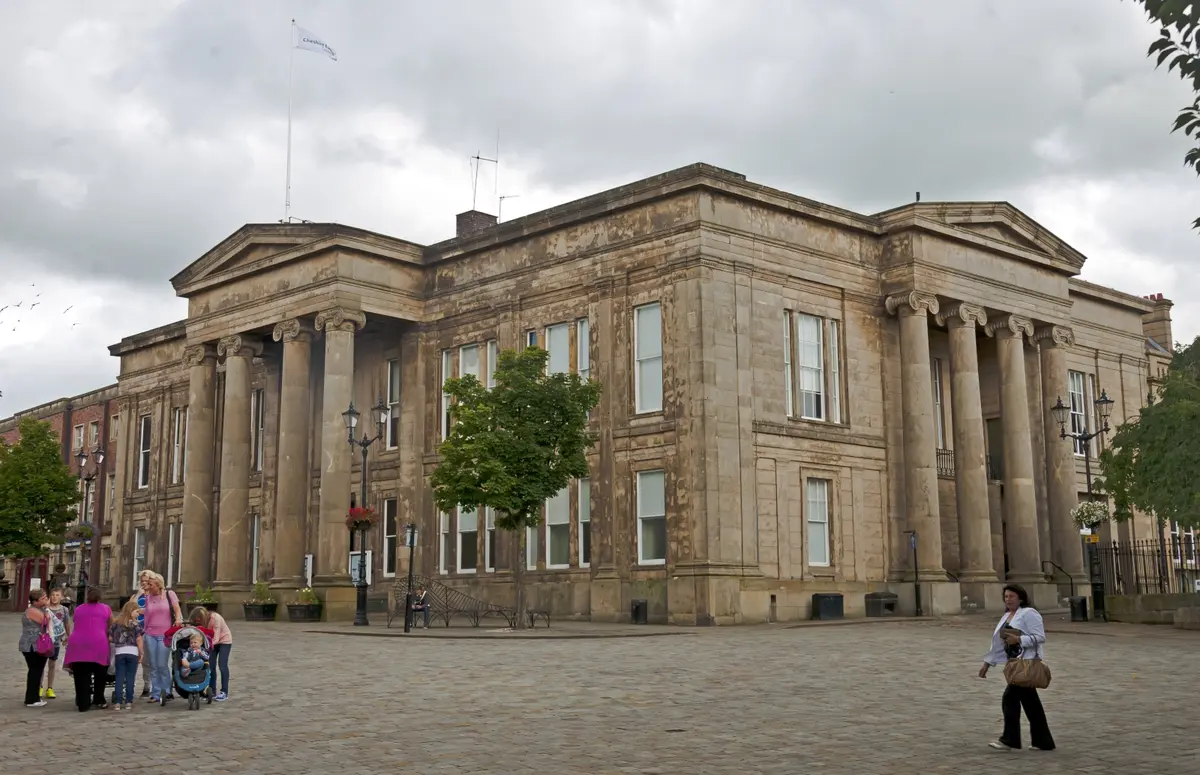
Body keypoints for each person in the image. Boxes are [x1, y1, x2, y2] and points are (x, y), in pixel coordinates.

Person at [979, 583, 1056, 751]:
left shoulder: (1029, 613)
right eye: (1006, 597)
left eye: (1011, 596)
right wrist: (987, 663)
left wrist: (1020, 640)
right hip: (1014, 664)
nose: (1008, 600)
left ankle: (1010, 739)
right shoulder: (1007, 616)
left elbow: (1040, 637)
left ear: (1020, 597)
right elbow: (998, 644)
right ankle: (1043, 741)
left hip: (1025, 663)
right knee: (1031, 704)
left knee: (1010, 698)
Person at [62, 586, 113, 712]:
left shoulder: (79, 609)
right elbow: (111, 625)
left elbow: (76, 621)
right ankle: (98, 699)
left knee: (81, 675)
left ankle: (83, 702)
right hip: (98, 643)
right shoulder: (106, 609)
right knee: (100, 673)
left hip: (78, 643)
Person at [141, 572, 182, 705]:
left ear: (158, 584)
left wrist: (178, 619)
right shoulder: (148, 596)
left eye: (150, 584)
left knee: (162, 664)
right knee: (153, 665)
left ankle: (167, 691)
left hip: (165, 634)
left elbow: (177, 609)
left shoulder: (169, 594)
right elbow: (145, 612)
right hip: (150, 633)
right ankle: (156, 693)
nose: (148, 586)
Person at [188, 606, 232, 701]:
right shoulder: (199, 622)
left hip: (224, 640)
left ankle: (224, 692)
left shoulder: (215, 618)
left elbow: (216, 637)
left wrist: (203, 647)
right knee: (210, 666)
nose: (198, 622)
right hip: (210, 642)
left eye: (199, 620)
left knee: (222, 665)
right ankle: (212, 691)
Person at [108, 598, 144, 710]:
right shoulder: (136, 626)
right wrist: (141, 653)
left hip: (120, 653)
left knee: (119, 677)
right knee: (130, 677)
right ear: (131, 611)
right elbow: (139, 640)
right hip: (132, 653)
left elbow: (110, 638)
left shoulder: (116, 624)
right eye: (137, 612)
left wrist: (117, 640)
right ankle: (128, 701)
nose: (138, 614)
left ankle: (118, 702)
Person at [18, 589, 51, 708]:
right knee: (35, 671)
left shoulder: (38, 609)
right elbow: (46, 621)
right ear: (35, 601)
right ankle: (31, 699)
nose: (46, 599)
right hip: (32, 645)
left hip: (37, 645)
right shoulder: (32, 611)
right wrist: (47, 609)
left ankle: (34, 696)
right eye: (43, 598)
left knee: (37, 670)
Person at [41, 587, 73, 700]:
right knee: (42, 663)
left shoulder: (64, 610)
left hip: (56, 641)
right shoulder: (45, 608)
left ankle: (49, 688)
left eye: (57, 595)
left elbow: (67, 624)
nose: (55, 597)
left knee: (52, 664)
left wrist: (68, 637)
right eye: (53, 595)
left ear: (62, 597)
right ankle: (40, 686)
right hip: (45, 640)